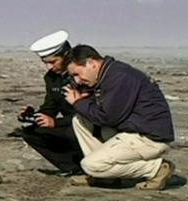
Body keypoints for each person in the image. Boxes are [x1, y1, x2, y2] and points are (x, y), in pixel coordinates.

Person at [63, 44, 176, 190]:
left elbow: (108, 118)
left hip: (149, 138)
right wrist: (83, 100)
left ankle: (157, 169)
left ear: (91, 63)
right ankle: (105, 177)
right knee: (80, 120)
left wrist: (78, 102)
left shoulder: (119, 77)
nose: (77, 80)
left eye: (77, 74)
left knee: (90, 165)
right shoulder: (109, 75)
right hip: (134, 130)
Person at [14, 30, 84, 175]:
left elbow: (93, 113)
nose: (49, 67)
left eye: (53, 62)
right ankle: (73, 168)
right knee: (31, 133)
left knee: (75, 131)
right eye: (45, 63)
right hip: (68, 124)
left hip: (88, 124)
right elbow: (50, 106)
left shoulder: (83, 75)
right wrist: (32, 115)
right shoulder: (51, 78)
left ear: (66, 56)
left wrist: (55, 123)